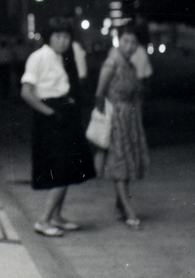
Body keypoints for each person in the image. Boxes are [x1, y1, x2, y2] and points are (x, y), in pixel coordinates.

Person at [20, 17, 96, 237]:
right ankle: (43, 221)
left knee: (70, 166)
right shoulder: (38, 57)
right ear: (49, 37)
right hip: (51, 118)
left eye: (66, 36)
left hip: (64, 113)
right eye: (58, 36)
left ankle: (56, 216)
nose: (63, 41)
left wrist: (67, 103)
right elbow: (26, 93)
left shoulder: (62, 57)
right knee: (61, 169)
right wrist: (51, 113)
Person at [94, 24, 150, 229]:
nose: (129, 46)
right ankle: (128, 210)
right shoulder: (111, 64)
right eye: (125, 41)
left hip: (130, 119)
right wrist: (105, 119)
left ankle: (120, 204)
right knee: (120, 165)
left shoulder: (132, 66)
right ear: (119, 41)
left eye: (133, 43)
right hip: (115, 118)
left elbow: (137, 94)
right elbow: (99, 94)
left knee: (127, 161)